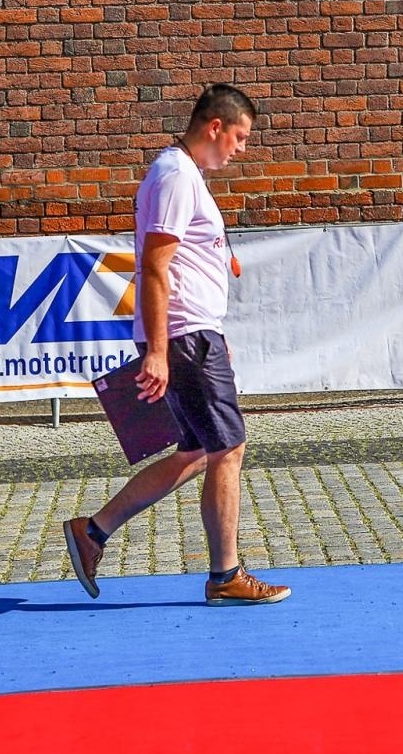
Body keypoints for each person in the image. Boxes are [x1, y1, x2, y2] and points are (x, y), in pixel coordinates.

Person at [63, 85, 289, 606]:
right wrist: (161, 351)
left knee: (198, 452)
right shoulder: (175, 176)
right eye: (240, 137)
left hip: (194, 333)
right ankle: (225, 575)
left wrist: (208, 334)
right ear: (215, 126)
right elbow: (154, 267)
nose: (241, 149)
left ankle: (92, 531)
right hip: (186, 336)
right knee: (228, 449)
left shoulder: (183, 175)